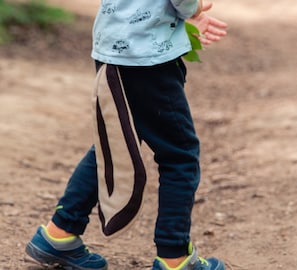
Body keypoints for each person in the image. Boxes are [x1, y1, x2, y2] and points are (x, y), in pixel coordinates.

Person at [25, 1, 228, 269]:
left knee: (117, 142)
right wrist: (195, 8)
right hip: (147, 59)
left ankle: (60, 233)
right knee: (180, 156)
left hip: (115, 45)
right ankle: (174, 256)